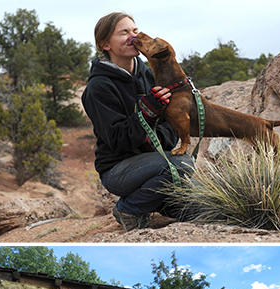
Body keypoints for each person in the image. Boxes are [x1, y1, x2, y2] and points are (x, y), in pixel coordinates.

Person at [81, 12, 195, 231]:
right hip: (118, 170)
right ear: (105, 44)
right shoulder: (98, 87)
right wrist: (148, 112)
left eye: (134, 30)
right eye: (124, 33)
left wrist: (154, 138)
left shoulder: (152, 76)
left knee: (202, 205)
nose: (133, 36)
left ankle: (150, 201)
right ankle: (129, 208)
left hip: (157, 163)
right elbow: (118, 140)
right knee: (181, 165)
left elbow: (174, 126)